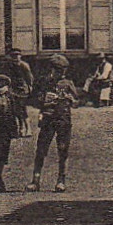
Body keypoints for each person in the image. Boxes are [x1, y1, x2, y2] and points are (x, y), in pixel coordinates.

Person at [28, 53, 81, 192]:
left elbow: (77, 102)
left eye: (63, 70)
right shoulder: (43, 83)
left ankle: (61, 180)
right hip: (48, 119)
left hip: (63, 120)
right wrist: (43, 101)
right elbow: (32, 100)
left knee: (63, 150)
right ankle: (35, 180)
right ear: (51, 69)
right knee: (41, 150)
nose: (61, 73)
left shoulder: (68, 83)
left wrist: (71, 100)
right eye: (58, 70)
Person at [6, 48, 36, 138]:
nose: (15, 57)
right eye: (13, 56)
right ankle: (21, 128)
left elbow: (29, 77)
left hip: (22, 89)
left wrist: (30, 87)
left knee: (22, 109)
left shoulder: (24, 65)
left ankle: (28, 128)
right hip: (13, 89)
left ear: (20, 56)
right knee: (15, 110)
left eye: (17, 55)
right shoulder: (10, 66)